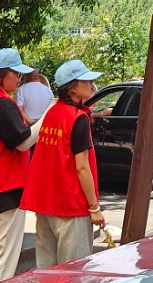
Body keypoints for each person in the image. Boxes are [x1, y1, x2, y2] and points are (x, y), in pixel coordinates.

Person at [21, 59, 106, 267]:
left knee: (47, 269)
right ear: (73, 88)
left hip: (45, 204)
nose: (92, 85)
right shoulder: (77, 118)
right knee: (73, 270)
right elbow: (82, 168)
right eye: (87, 81)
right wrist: (94, 207)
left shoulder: (51, 113)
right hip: (71, 205)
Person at [0, 49, 47, 280]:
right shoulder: (5, 105)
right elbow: (21, 142)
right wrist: (47, 117)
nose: (20, 79)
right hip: (8, 187)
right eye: (16, 73)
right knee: (6, 255)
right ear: (3, 74)